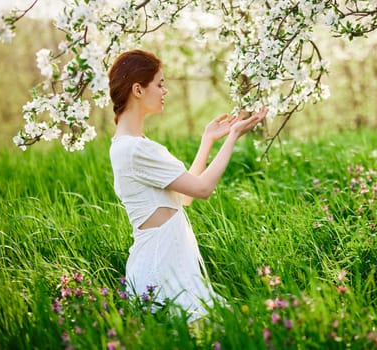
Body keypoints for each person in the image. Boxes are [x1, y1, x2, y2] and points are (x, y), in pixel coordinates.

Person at [108, 49, 266, 321]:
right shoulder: (134, 149)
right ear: (137, 89)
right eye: (159, 84)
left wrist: (208, 140)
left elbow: (185, 197)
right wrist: (233, 137)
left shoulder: (134, 145)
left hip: (170, 266)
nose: (164, 91)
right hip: (161, 271)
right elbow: (203, 190)